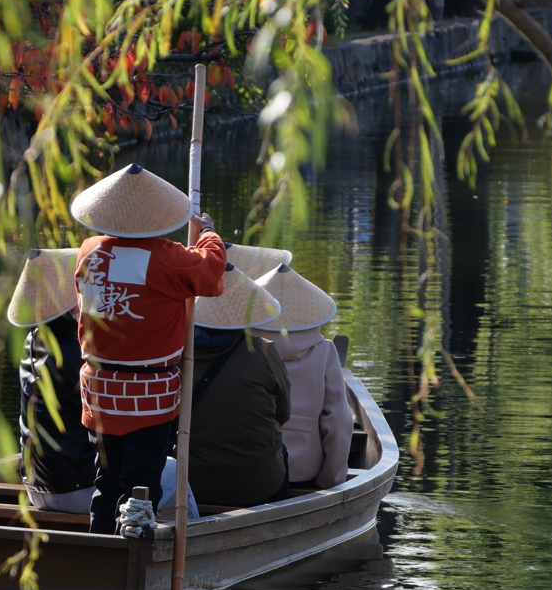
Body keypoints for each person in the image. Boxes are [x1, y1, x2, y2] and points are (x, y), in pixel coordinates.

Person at [71, 163, 227, 534]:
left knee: (106, 480)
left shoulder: (90, 251)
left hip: (101, 388)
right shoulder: (167, 257)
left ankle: (98, 549)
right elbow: (211, 271)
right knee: (141, 482)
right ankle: (133, 554)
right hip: (149, 391)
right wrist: (206, 233)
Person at [187, 256, 292, 509]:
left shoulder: (177, 352)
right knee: (282, 451)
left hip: (189, 484)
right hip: (259, 486)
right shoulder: (264, 351)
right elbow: (283, 414)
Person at [8, 248, 97, 513]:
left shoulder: (33, 340)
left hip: (36, 488)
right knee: (172, 472)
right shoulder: (74, 354)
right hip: (78, 488)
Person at [254, 263, 354, 489]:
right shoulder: (324, 351)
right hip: (303, 474)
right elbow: (339, 424)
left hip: (248, 471)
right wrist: (329, 480)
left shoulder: (242, 349)